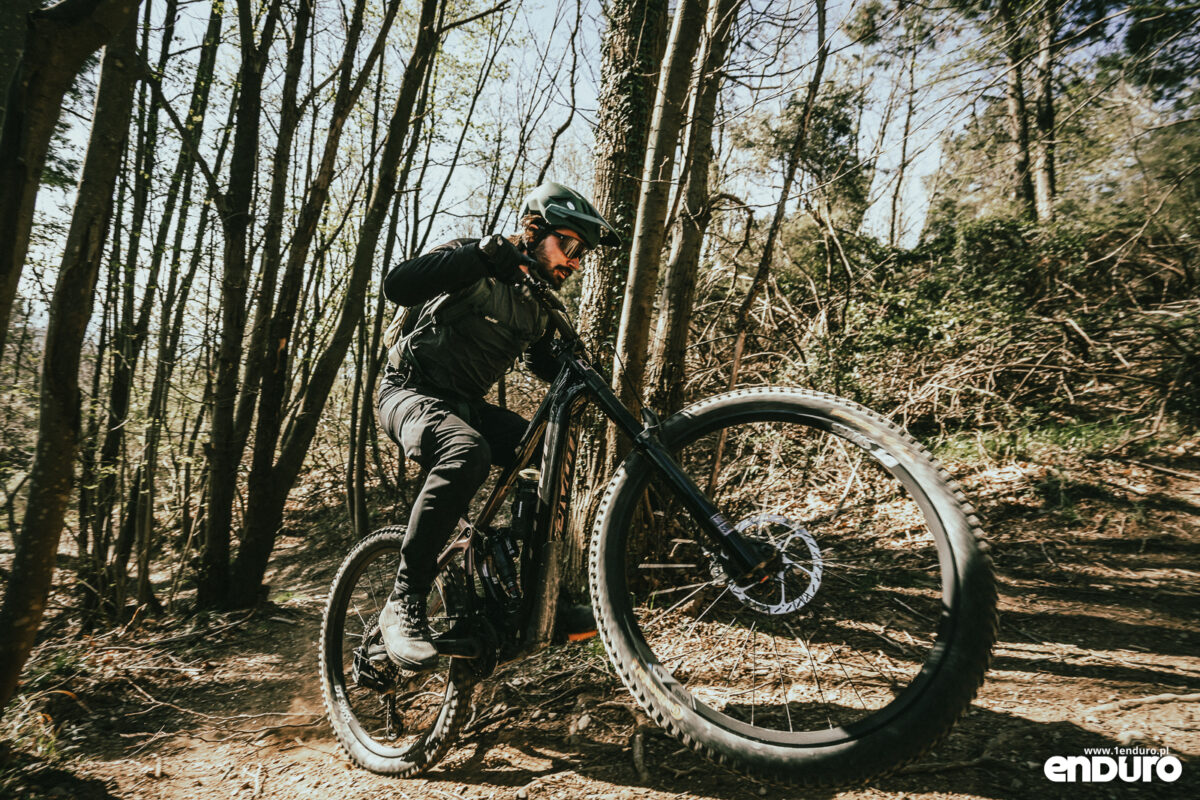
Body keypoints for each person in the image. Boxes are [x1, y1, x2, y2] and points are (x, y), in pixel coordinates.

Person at [376, 182, 620, 670]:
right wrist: (481, 257)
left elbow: (542, 363)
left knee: (548, 453)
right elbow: (398, 285)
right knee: (467, 452)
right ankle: (404, 599)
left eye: (582, 255)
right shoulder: (474, 258)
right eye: (568, 246)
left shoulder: (538, 305)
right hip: (408, 391)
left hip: (467, 405)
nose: (574, 263)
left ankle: (535, 594)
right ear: (533, 229)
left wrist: (577, 368)